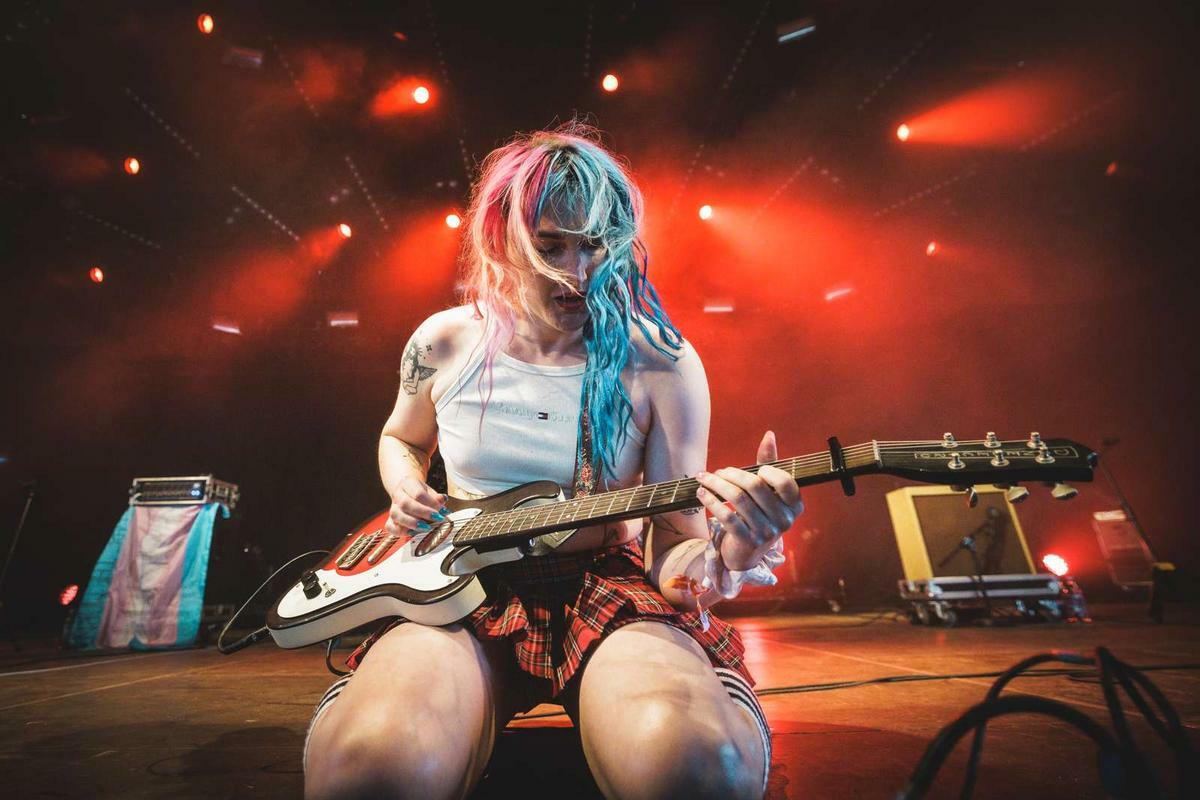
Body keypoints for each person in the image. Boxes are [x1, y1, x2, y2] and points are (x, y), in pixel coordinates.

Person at [303, 124, 804, 800]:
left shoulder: (661, 361)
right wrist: (404, 485)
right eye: (551, 246)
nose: (578, 270)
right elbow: (401, 437)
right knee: (371, 770)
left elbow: (674, 551)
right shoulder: (444, 342)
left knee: (692, 770)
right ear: (501, 239)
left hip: (606, 585)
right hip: (463, 586)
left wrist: (729, 555)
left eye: (595, 244)